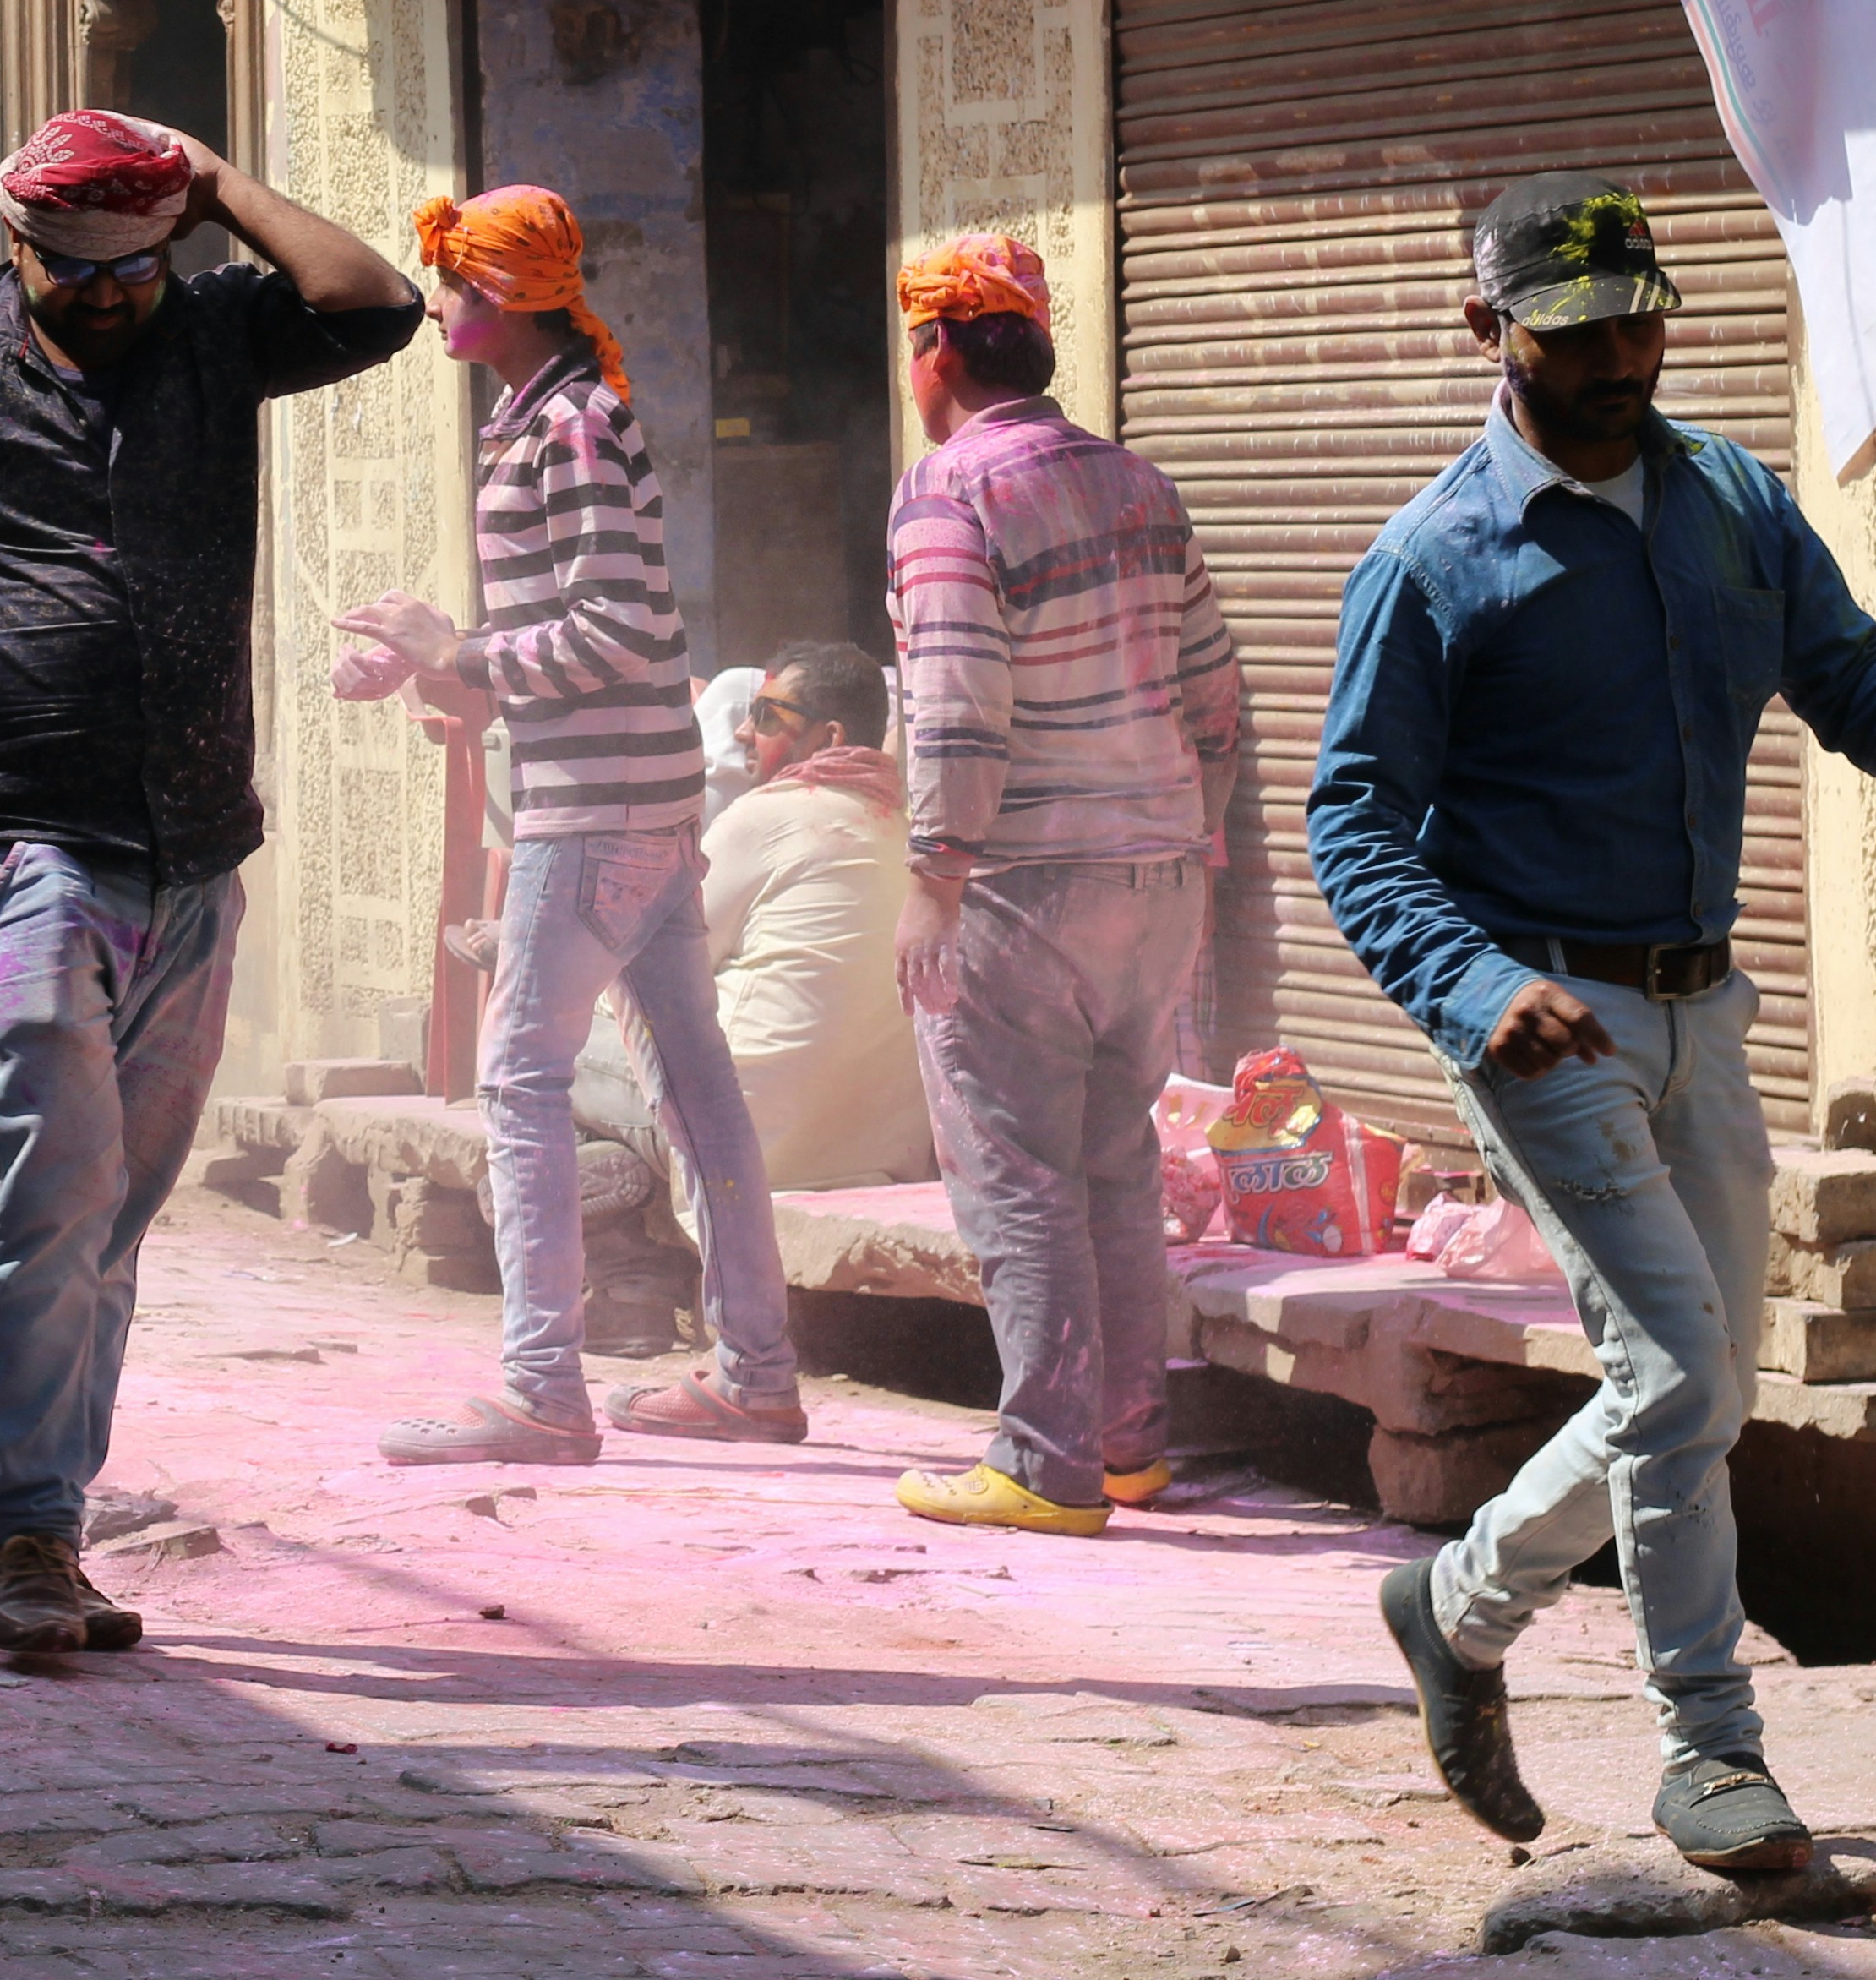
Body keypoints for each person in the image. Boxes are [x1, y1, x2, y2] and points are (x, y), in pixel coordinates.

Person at [1315, 174, 1876, 1874]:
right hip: (1546, 1021)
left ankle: (1458, 1602)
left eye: (1642, 321)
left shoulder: (1730, 500)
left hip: (1701, 1011)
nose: (1622, 360)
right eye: (1581, 336)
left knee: (1704, 1387)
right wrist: (1474, 984)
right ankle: (1709, 1749)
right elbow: (1353, 822)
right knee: (1672, 1369)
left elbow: (1853, 671)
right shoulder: (1435, 560)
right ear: (1490, 335)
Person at [0, 109, 419, 1655]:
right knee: (51, 1185)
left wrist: (211, 185)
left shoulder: (216, 333)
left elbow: (377, 303)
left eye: (141, 268)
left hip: (191, 844)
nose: (114, 297)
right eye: (81, 273)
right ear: (16, 250)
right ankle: (12, 1534)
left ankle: (48, 1532)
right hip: (6, 835)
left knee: (113, 1215)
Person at [327, 184, 805, 1465]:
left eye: (455, 286)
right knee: (697, 1090)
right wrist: (436, 667)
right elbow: (576, 636)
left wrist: (465, 649)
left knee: (521, 1082)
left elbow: (615, 632)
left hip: (592, 820)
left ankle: (545, 1391)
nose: (438, 305)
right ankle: (757, 1376)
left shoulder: (573, 431)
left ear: (506, 298)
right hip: (639, 805)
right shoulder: (544, 419)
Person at [885, 232, 1243, 1540]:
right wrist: (1184, 832)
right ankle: (1127, 1445)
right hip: (1155, 880)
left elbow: (955, 698)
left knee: (1014, 1173)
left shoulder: (948, 493)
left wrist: (936, 876)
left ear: (936, 356)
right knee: (1110, 1162)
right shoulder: (1140, 482)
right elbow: (1216, 689)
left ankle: (1045, 1461)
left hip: (1021, 886)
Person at [578, 641, 932, 1203]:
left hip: (748, 1143)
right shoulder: (911, 834)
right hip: (881, 1152)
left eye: (766, 716)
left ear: (830, 738)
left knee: (547, 1036)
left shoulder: (765, 816)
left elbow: (648, 969)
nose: (744, 732)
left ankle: (615, 1233)